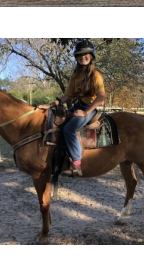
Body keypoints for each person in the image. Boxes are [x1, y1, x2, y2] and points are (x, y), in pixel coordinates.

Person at [38, 39, 105, 176]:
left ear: (91, 56)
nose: (82, 57)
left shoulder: (96, 75)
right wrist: (49, 105)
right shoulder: (76, 75)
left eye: (86, 54)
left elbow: (101, 97)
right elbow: (66, 97)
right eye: (79, 55)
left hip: (89, 107)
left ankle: (76, 162)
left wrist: (85, 112)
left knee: (69, 129)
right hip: (78, 105)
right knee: (57, 123)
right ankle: (59, 156)